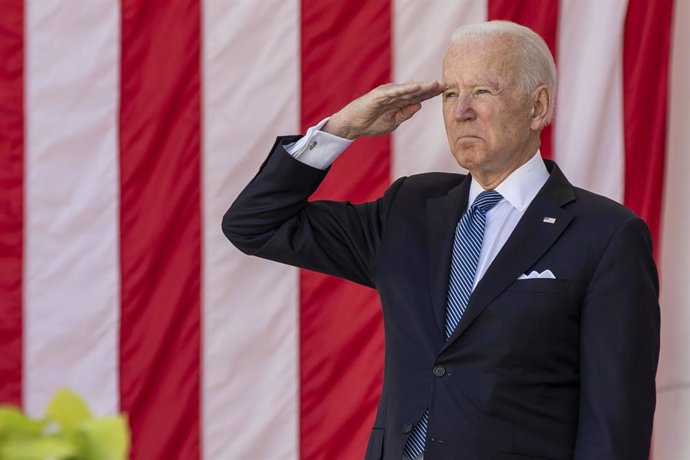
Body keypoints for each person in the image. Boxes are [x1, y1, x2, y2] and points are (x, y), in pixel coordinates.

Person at [223, 21, 659, 460]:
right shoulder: (410, 208)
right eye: (450, 93)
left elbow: (615, 424)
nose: (461, 111)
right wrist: (342, 129)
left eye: (483, 92)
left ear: (537, 106)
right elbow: (254, 224)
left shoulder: (606, 235)